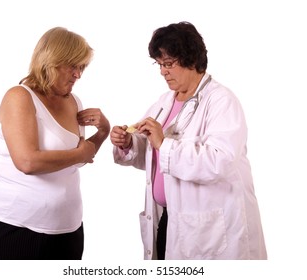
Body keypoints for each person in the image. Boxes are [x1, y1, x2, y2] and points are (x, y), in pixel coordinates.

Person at [110, 21, 267, 260]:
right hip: (169, 220)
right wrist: (129, 143)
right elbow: (154, 155)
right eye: (159, 64)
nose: (163, 71)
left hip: (210, 229)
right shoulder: (165, 101)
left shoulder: (221, 101)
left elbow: (219, 161)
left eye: (169, 64)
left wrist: (164, 144)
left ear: (191, 60)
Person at [0, 27, 110, 260]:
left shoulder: (74, 101)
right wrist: (80, 154)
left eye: (82, 67)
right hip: (15, 228)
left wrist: (103, 132)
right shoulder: (19, 96)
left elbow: (77, 159)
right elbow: (28, 161)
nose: (78, 75)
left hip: (67, 230)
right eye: (73, 66)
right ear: (51, 60)